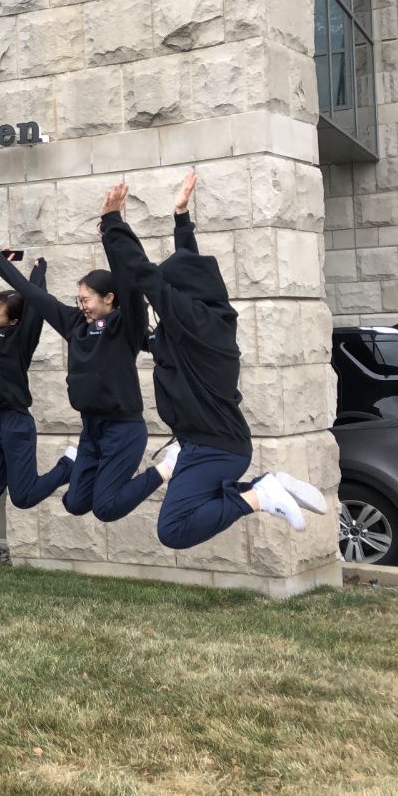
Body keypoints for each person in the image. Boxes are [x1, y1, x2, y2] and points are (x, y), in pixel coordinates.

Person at [99, 174, 327, 544]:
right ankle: (267, 488)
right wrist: (181, 220)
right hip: (209, 443)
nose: (166, 296)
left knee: (173, 530)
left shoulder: (192, 322)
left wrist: (113, 224)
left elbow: (146, 275)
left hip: (214, 448)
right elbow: (186, 267)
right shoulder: (204, 322)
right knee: (180, 521)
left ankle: (260, 495)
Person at [0, 246, 166, 521]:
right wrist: (1, 266)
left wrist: (111, 234)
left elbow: (130, 285)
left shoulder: (126, 324)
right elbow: (36, 297)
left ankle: (166, 468)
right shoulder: (75, 324)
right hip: (91, 430)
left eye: (86, 300)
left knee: (105, 508)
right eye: (79, 299)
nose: (82, 305)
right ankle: (72, 464)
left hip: (123, 430)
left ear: (109, 298)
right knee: (74, 504)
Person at [0, 249, 73, 509]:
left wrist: (37, 275)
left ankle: (69, 464)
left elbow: (36, 306)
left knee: (22, 498)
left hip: (14, 419)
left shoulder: (19, 339)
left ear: (13, 321)